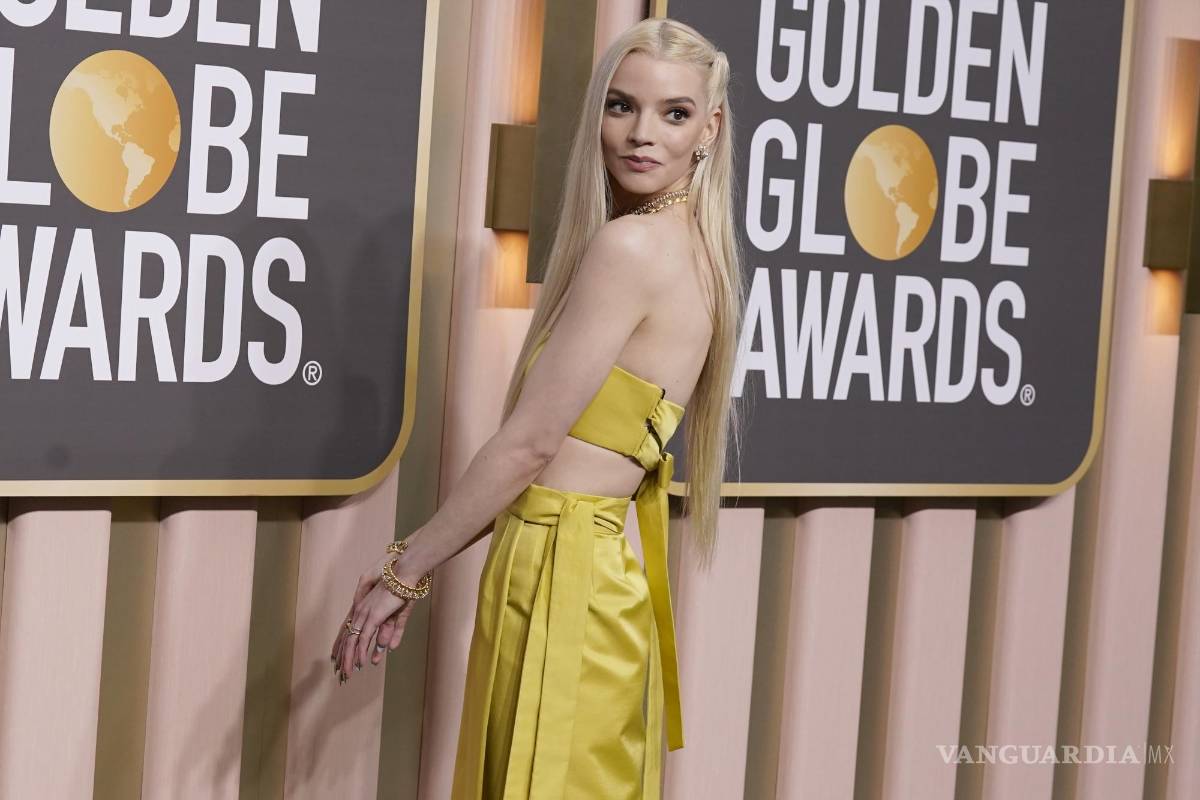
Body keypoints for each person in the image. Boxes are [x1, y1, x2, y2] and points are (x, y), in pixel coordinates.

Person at [330, 16, 744, 799]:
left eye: (674, 113)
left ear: (709, 129)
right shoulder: (699, 255)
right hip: (586, 569)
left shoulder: (631, 250)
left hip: (564, 579)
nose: (641, 134)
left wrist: (401, 573)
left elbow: (528, 448)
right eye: (622, 106)